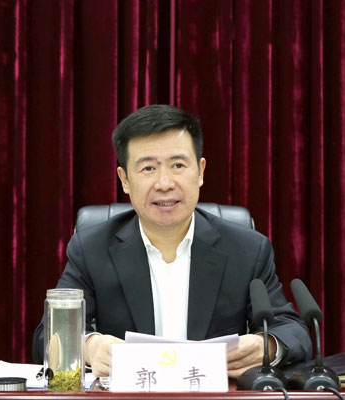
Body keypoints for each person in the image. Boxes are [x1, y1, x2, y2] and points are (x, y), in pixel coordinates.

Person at [32, 104, 311, 378]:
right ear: (124, 180)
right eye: (148, 168)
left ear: (200, 172)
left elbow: (292, 331)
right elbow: (48, 336)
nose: (164, 183)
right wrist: (90, 347)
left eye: (178, 165)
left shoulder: (247, 250)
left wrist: (266, 346)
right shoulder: (91, 249)